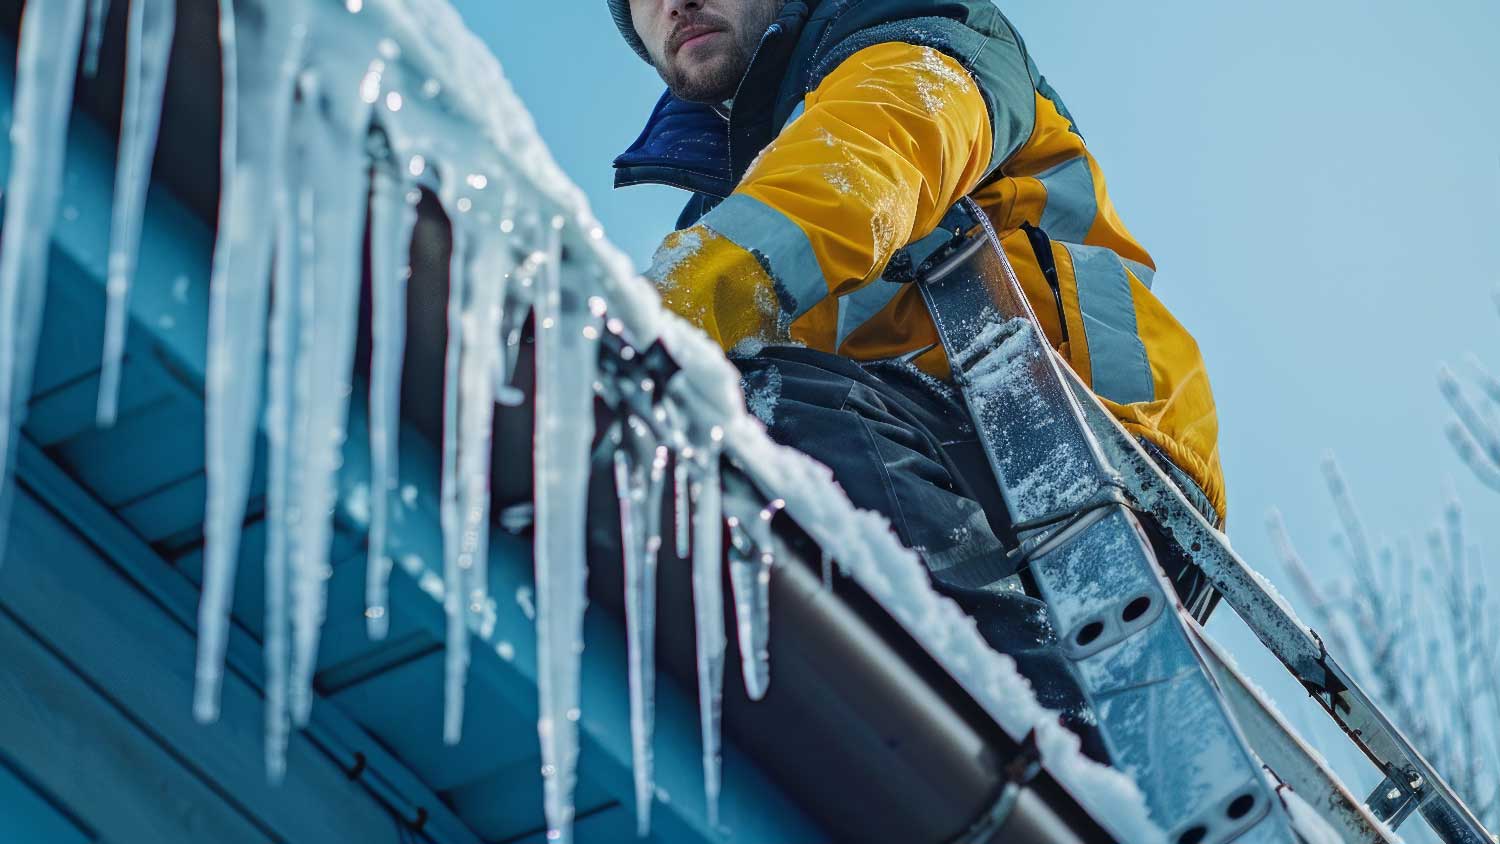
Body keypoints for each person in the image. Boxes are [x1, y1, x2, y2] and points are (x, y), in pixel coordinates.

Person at [607, 0, 1225, 752]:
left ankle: (1060, 750)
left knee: (758, 411)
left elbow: (869, 155)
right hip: (922, 461)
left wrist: (647, 321)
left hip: (1083, 450)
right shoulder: (729, 206)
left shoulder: (914, 29)